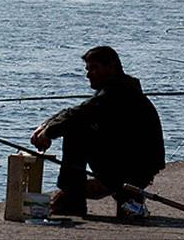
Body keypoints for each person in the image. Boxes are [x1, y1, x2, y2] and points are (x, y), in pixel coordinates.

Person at [30, 46, 165, 218]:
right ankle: (77, 194)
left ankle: (72, 199)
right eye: (87, 69)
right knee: (78, 125)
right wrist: (45, 125)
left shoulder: (116, 92)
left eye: (94, 68)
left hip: (135, 168)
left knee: (76, 131)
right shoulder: (121, 87)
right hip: (133, 161)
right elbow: (77, 111)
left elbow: (78, 115)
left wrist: (48, 133)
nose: (88, 74)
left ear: (111, 67)